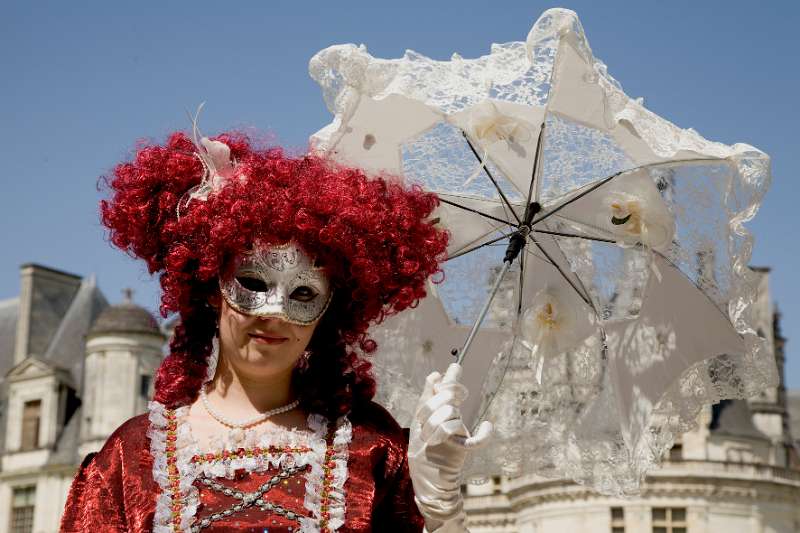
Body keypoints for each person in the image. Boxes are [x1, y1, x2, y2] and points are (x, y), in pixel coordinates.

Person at [60, 128, 490, 532]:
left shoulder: (370, 447)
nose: (275, 312)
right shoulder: (131, 458)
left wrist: (440, 507)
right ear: (212, 285)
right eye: (252, 283)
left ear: (331, 309)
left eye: (303, 294)